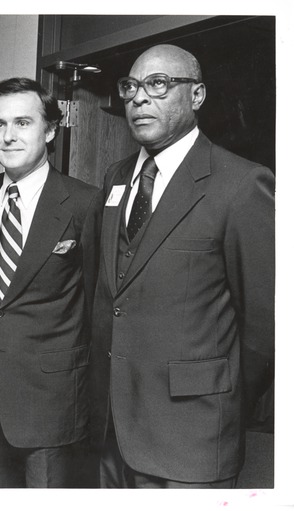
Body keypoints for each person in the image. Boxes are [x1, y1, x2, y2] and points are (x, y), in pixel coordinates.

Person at [89, 44, 274, 488]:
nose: (138, 98)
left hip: (192, 435)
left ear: (197, 95)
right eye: (130, 86)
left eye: (158, 84)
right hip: (113, 432)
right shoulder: (116, 177)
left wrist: (221, 399)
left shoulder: (242, 184)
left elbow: (266, 327)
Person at [0, 77, 101, 487]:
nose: (8, 136)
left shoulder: (84, 202)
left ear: (51, 130)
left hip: (53, 397)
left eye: (23, 123)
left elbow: (98, 298)